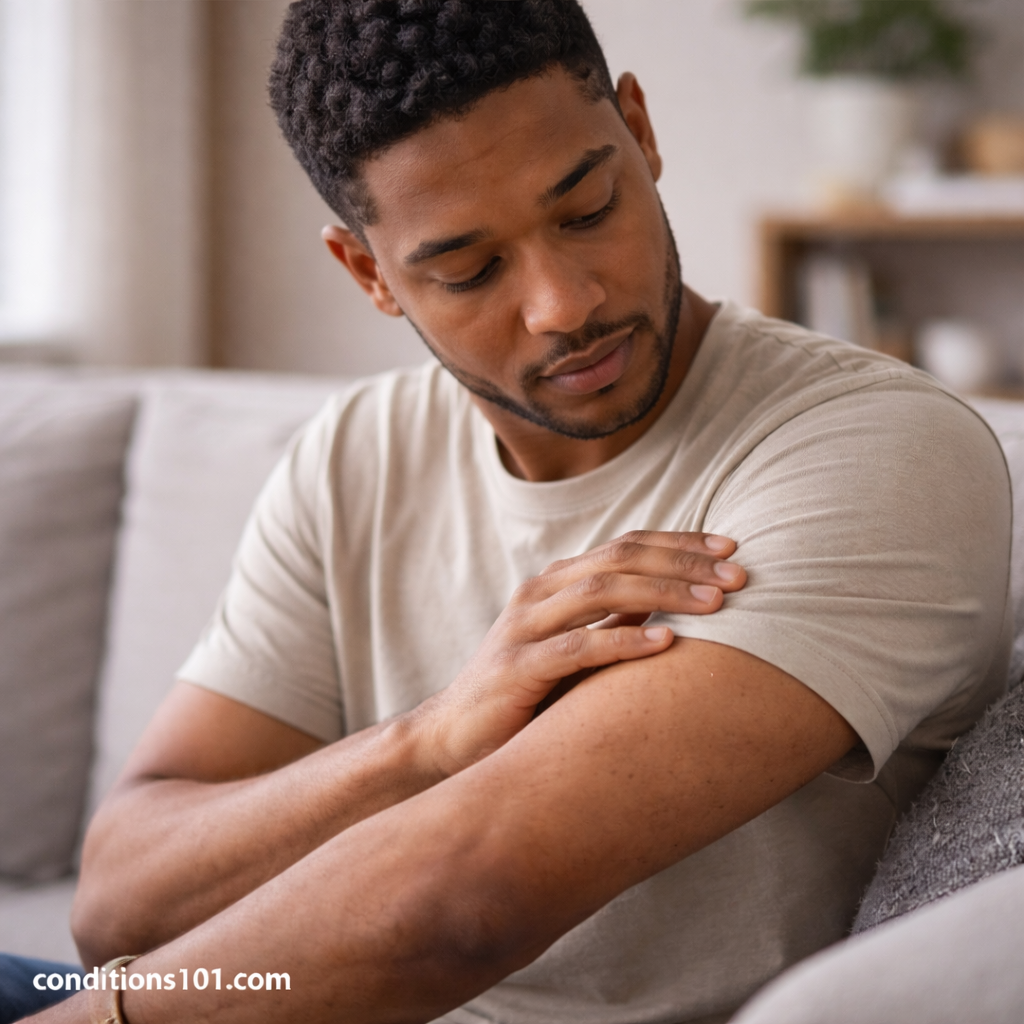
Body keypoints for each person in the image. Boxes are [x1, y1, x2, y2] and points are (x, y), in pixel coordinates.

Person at [13, 2, 1011, 1022]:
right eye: (470, 269)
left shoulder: (873, 450)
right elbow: (119, 907)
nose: (563, 304)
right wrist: (423, 743)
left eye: (586, 210)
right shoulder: (353, 454)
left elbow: (460, 908)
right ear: (370, 273)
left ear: (640, 131)